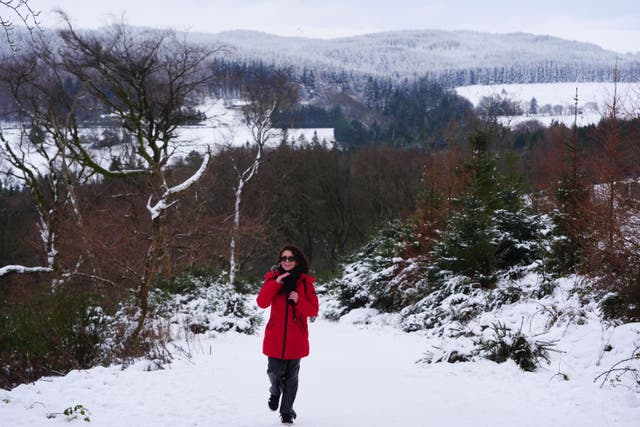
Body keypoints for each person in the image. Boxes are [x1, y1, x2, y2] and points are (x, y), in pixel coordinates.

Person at [256, 245, 319, 426]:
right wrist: (276, 285)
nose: (287, 261)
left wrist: (299, 300)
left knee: (292, 377)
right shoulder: (273, 279)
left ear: (297, 260)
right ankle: (275, 391)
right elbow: (261, 303)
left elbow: (313, 310)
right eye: (284, 258)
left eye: (291, 258)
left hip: (296, 337)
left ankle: (286, 412)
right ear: (280, 261)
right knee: (273, 371)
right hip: (275, 336)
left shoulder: (306, 283)